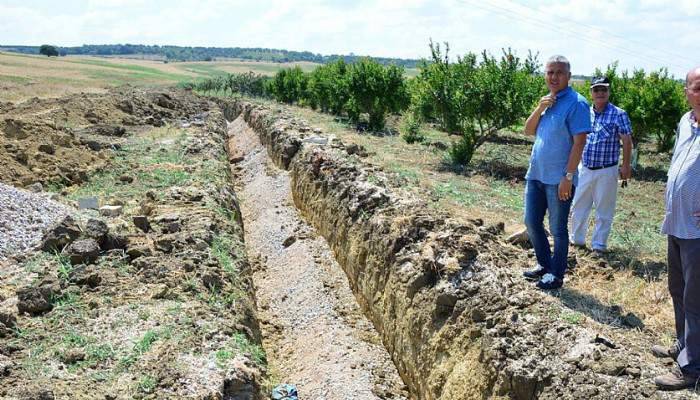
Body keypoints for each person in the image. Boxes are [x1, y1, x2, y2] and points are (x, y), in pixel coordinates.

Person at [521, 55, 590, 290]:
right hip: (536, 174)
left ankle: (556, 275)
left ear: (569, 77)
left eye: (559, 72)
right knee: (531, 221)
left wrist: (568, 177)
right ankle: (544, 264)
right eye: (550, 72)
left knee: (558, 230)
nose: (554, 77)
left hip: (559, 179)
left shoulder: (577, 103)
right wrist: (540, 107)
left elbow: (579, 142)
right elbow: (528, 130)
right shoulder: (547, 102)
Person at [652, 66, 700, 391]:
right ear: (686, 91)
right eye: (697, 87)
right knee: (677, 290)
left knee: (696, 299)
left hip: (697, 230)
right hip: (677, 221)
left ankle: (693, 369)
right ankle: (683, 348)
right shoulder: (685, 121)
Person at [569, 77, 633, 254]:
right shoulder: (585, 113)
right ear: (591, 93)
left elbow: (627, 141)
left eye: (603, 90)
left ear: (609, 92)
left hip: (607, 170)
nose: (600, 93)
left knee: (604, 209)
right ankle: (577, 241)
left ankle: (599, 245)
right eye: (596, 90)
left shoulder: (619, 114)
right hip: (585, 168)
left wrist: (626, 165)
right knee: (579, 205)